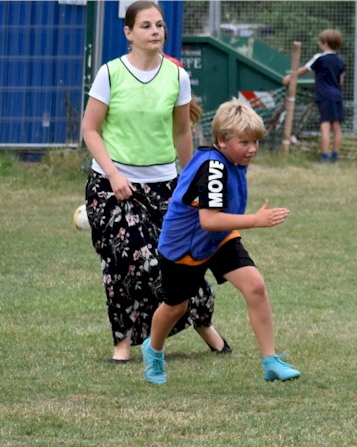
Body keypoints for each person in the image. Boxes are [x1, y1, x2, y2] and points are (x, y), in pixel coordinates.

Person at [81, 0, 228, 364]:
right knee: (128, 262)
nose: (155, 32)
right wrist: (113, 173)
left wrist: (191, 179)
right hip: (112, 186)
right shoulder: (110, 73)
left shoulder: (177, 76)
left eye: (159, 25)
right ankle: (123, 341)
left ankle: (202, 323)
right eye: (146, 26)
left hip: (165, 186)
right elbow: (90, 129)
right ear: (129, 33)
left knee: (179, 262)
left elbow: (181, 133)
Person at [141, 99, 301, 384]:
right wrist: (255, 220)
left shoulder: (234, 160)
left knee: (255, 286)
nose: (252, 149)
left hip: (217, 239)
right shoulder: (213, 167)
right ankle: (153, 350)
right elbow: (209, 219)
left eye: (255, 142)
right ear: (221, 142)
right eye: (244, 142)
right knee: (176, 307)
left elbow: (217, 224)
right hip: (184, 248)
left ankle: (270, 361)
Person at [282, 29, 345, 162]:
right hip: (337, 95)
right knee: (337, 125)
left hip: (324, 95)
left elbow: (304, 69)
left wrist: (290, 76)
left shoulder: (319, 58)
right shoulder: (340, 61)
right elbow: (341, 81)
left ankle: (325, 155)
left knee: (325, 124)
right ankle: (335, 155)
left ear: (325, 43)